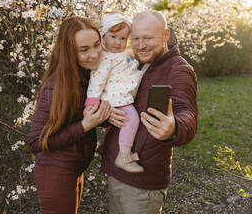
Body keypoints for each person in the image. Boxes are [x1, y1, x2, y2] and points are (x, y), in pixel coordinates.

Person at [101, 11, 198, 213]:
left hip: (142, 183)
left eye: (148, 38)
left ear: (166, 35)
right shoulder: (131, 63)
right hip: (116, 170)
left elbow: (186, 112)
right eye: (135, 39)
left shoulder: (178, 70)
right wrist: (107, 114)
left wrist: (175, 128)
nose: (141, 45)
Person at [27, 16, 111, 214]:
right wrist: (85, 125)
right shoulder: (57, 86)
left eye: (97, 45)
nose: (95, 54)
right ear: (69, 52)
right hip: (55, 172)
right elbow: (35, 141)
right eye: (84, 49)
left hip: (73, 169)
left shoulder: (86, 76)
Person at [85, 12, 148, 173]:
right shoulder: (104, 59)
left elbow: (130, 65)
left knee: (126, 122)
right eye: (113, 37)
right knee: (132, 118)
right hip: (116, 98)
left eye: (123, 39)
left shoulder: (121, 54)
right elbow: (97, 80)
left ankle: (112, 148)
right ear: (103, 36)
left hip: (124, 93)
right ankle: (124, 155)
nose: (118, 42)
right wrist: (92, 101)